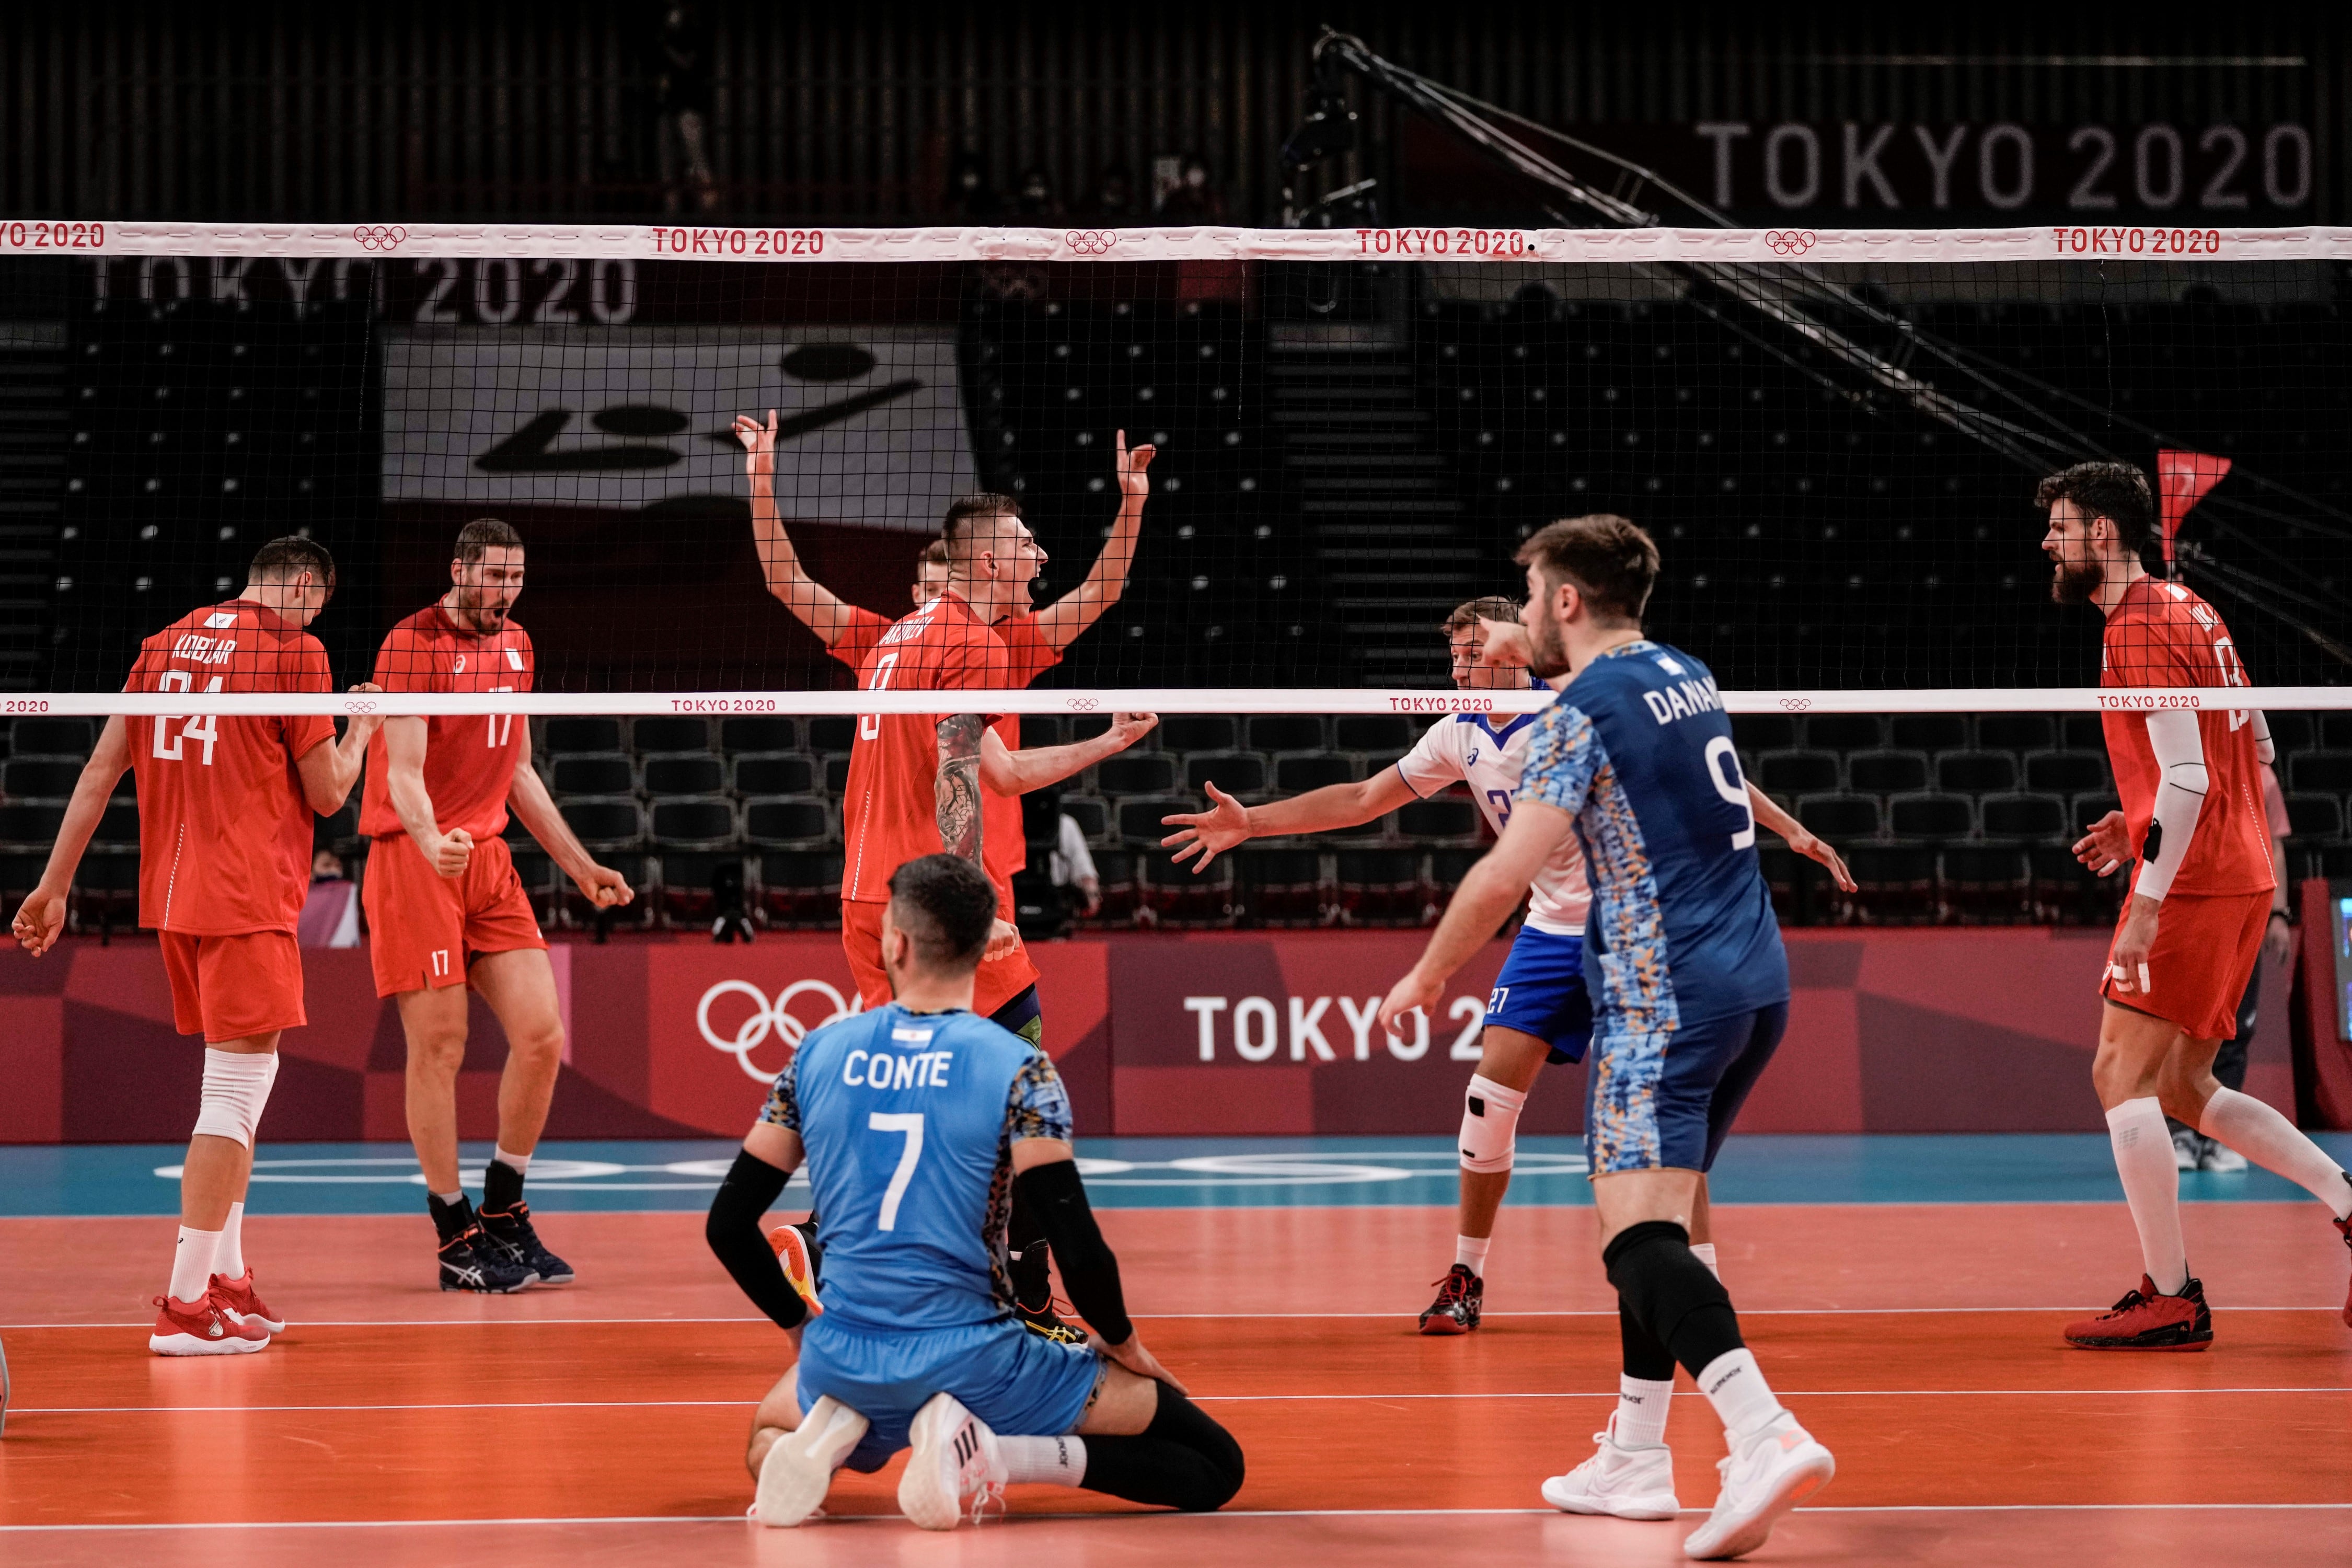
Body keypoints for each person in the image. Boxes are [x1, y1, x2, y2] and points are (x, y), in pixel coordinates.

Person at [1163, 596, 1853, 1338]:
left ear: (1514, 649)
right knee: (1488, 1101)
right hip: (1553, 931)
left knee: (1657, 1119)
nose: (1462, 668)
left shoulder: (1578, 712)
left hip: (1632, 926)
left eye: (1475, 651)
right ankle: (1467, 1276)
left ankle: (1702, 1285)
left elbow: (1699, 769)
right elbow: (1365, 798)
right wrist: (1253, 822)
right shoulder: (1459, 734)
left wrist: (1792, 830)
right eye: (1454, 654)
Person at [1375, 515, 1834, 1559]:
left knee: (1634, 1240)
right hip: (1756, 980)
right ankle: (1634, 1452)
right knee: (1663, 1221)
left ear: (1567, 601)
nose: (1526, 613)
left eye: (1532, 595)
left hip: (1663, 992)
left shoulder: (1577, 710)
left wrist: (1427, 972)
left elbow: (1502, 873)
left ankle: (1763, 1434)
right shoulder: (1687, 672)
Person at [705, 854, 1245, 1529]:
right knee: (1213, 1463)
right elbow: (1076, 1243)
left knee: (765, 1440)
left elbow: (727, 1225)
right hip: (981, 1360)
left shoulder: (817, 1053)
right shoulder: (1019, 1067)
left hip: (843, 1354)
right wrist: (1121, 1341)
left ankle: (826, 1435)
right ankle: (992, 1452)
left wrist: (801, 1331)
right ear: (988, 941)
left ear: (893, 944)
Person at [11, 537, 381, 1355]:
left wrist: (54, 884)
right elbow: (326, 795)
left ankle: (226, 1280)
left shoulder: (163, 641)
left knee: (243, 1096)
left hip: (176, 901)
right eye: (318, 601)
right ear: (306, 585)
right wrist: (361, 728)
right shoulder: (296, 648)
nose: (317, 615)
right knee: (233, 1104)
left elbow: (102, 770)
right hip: (248, 896)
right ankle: (182, 1309)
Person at [2035, 462, 2352, 1346]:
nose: (2048, 547)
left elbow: (2187, 773)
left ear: (2103, 533)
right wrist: (2131, 814)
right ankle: (2349, 1201)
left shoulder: (2135, 628)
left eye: (2061, 529)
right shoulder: (2194, 607)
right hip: (2241, 866)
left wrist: (2147, 898)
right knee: (2182, 1081)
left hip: (2198, 878)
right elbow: (2251, 739)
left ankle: (2170, 1295)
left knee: (2119, 1074)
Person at [827, 499, 1159, 1331]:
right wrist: (975, 901)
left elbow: (997, 770)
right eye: (1024, 544)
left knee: (924, 1099)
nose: (1039, 555)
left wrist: (1104, 743)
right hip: (942, 901)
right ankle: (1002, 1285)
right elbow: (958, 772)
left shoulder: (903, 637)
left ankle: (882, 1265)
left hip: (876, 898)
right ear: (984, 565)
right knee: (1028, 1102)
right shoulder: (974, 642)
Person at [362, 517, 637, 1294]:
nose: (505, 593)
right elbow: (403, 771)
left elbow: (517, 771)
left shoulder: (518, 646)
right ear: (458, 570)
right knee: (441, 1045)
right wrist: (429, 841)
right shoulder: (411, 644)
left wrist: (580, 866)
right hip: (416, 861)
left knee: (543, 1036)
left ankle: (505, 1209)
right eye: (493, 579)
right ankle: (455, 1234)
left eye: (517, 580)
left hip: (488, 862)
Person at [732, 410, 1156, 684]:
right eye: (935, 593)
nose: (946, 602)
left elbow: (1101, 591)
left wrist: (1133, 501)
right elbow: (787, 582)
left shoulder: (1013, 642)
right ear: (916, 596)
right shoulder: (882, 641)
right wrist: (762, 483)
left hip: (994, 827)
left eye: (949, 591)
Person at [2169, 757, 2292, 1173]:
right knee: (2181, 1028)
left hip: (2247, 915)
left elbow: (2274, 844)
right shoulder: (2183, 764)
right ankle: (2180, 1133)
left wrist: (2279, 914)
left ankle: (2219, 1139)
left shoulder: (2262, 775)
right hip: (2194, 914)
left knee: (2234, 1031)